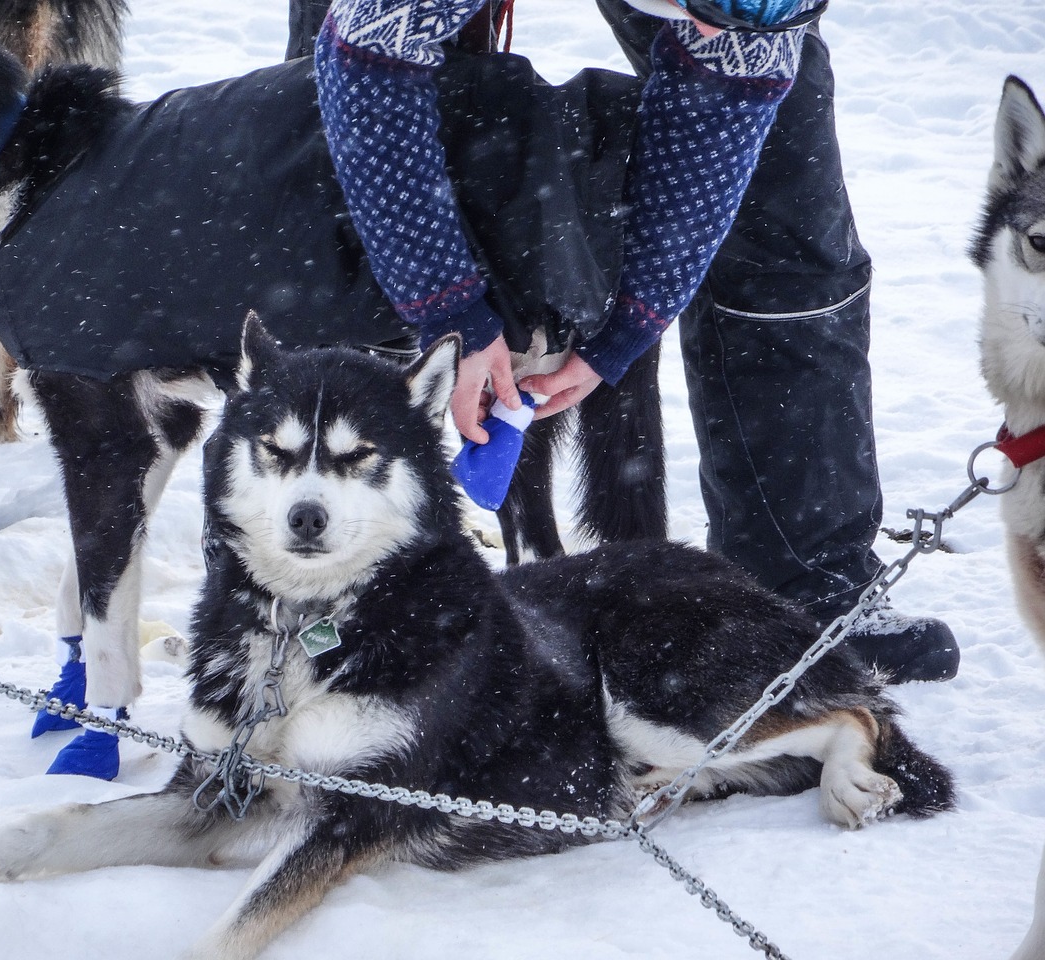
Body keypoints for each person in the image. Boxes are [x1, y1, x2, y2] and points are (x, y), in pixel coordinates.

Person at [292, 0, 960, 683]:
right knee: (319, 188)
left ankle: (808, 588)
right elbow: (370, 61)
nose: (710, 30)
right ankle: (305, 601)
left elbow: (723, 109)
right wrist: (448, 306)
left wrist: (630, 324)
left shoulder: (757, 15)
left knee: (787, 222)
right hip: (381, 29)